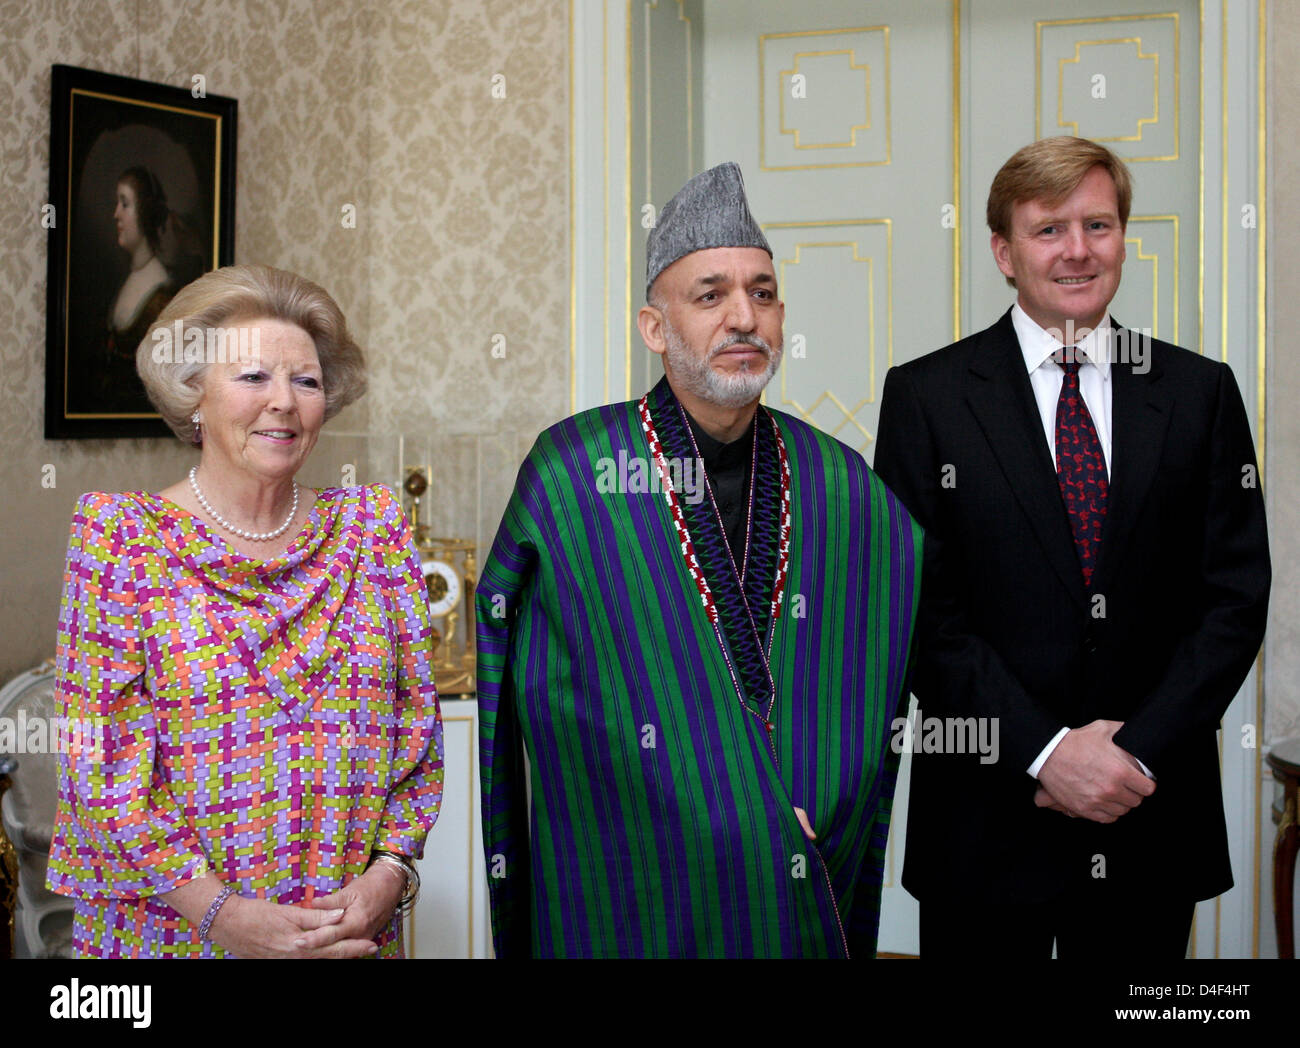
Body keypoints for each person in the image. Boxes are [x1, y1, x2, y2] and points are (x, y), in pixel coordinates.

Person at [476, 163, 922, 957]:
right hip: (632, 879)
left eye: (763, 292)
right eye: (711, 295)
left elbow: (871, 667)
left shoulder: (843, 485)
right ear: (656, 327)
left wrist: (795, 802)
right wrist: (729, 806)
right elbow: (539, 685)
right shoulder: (575, 473)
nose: (744, 316)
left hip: (798, 859)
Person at [873, 137, 1271, 958]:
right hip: (986, 822)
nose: (1078, 250)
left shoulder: (1199, 392)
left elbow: (1233, 601)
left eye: (1099, 224)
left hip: (1148, 815)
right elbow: (916, 611)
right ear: (1004, 252)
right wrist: (1048, 753)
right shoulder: (927, 397)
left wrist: (1132, 754)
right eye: (1049, 229)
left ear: (1124, 238)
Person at [47, 264, 444, 958]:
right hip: (167, 939)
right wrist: (221, 916)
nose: (283, 402)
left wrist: (392, 872)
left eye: (306, 381)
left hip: (343, 940)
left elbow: (418, 734)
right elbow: (98, 762)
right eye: (253, 377)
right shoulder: (121, 540)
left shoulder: (375, 531)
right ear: (193, 393)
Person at [102, 167, 176, 411]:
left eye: (125, 204)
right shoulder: (132, 277)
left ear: (144, 213)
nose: (116, 214)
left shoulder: (160, 292)